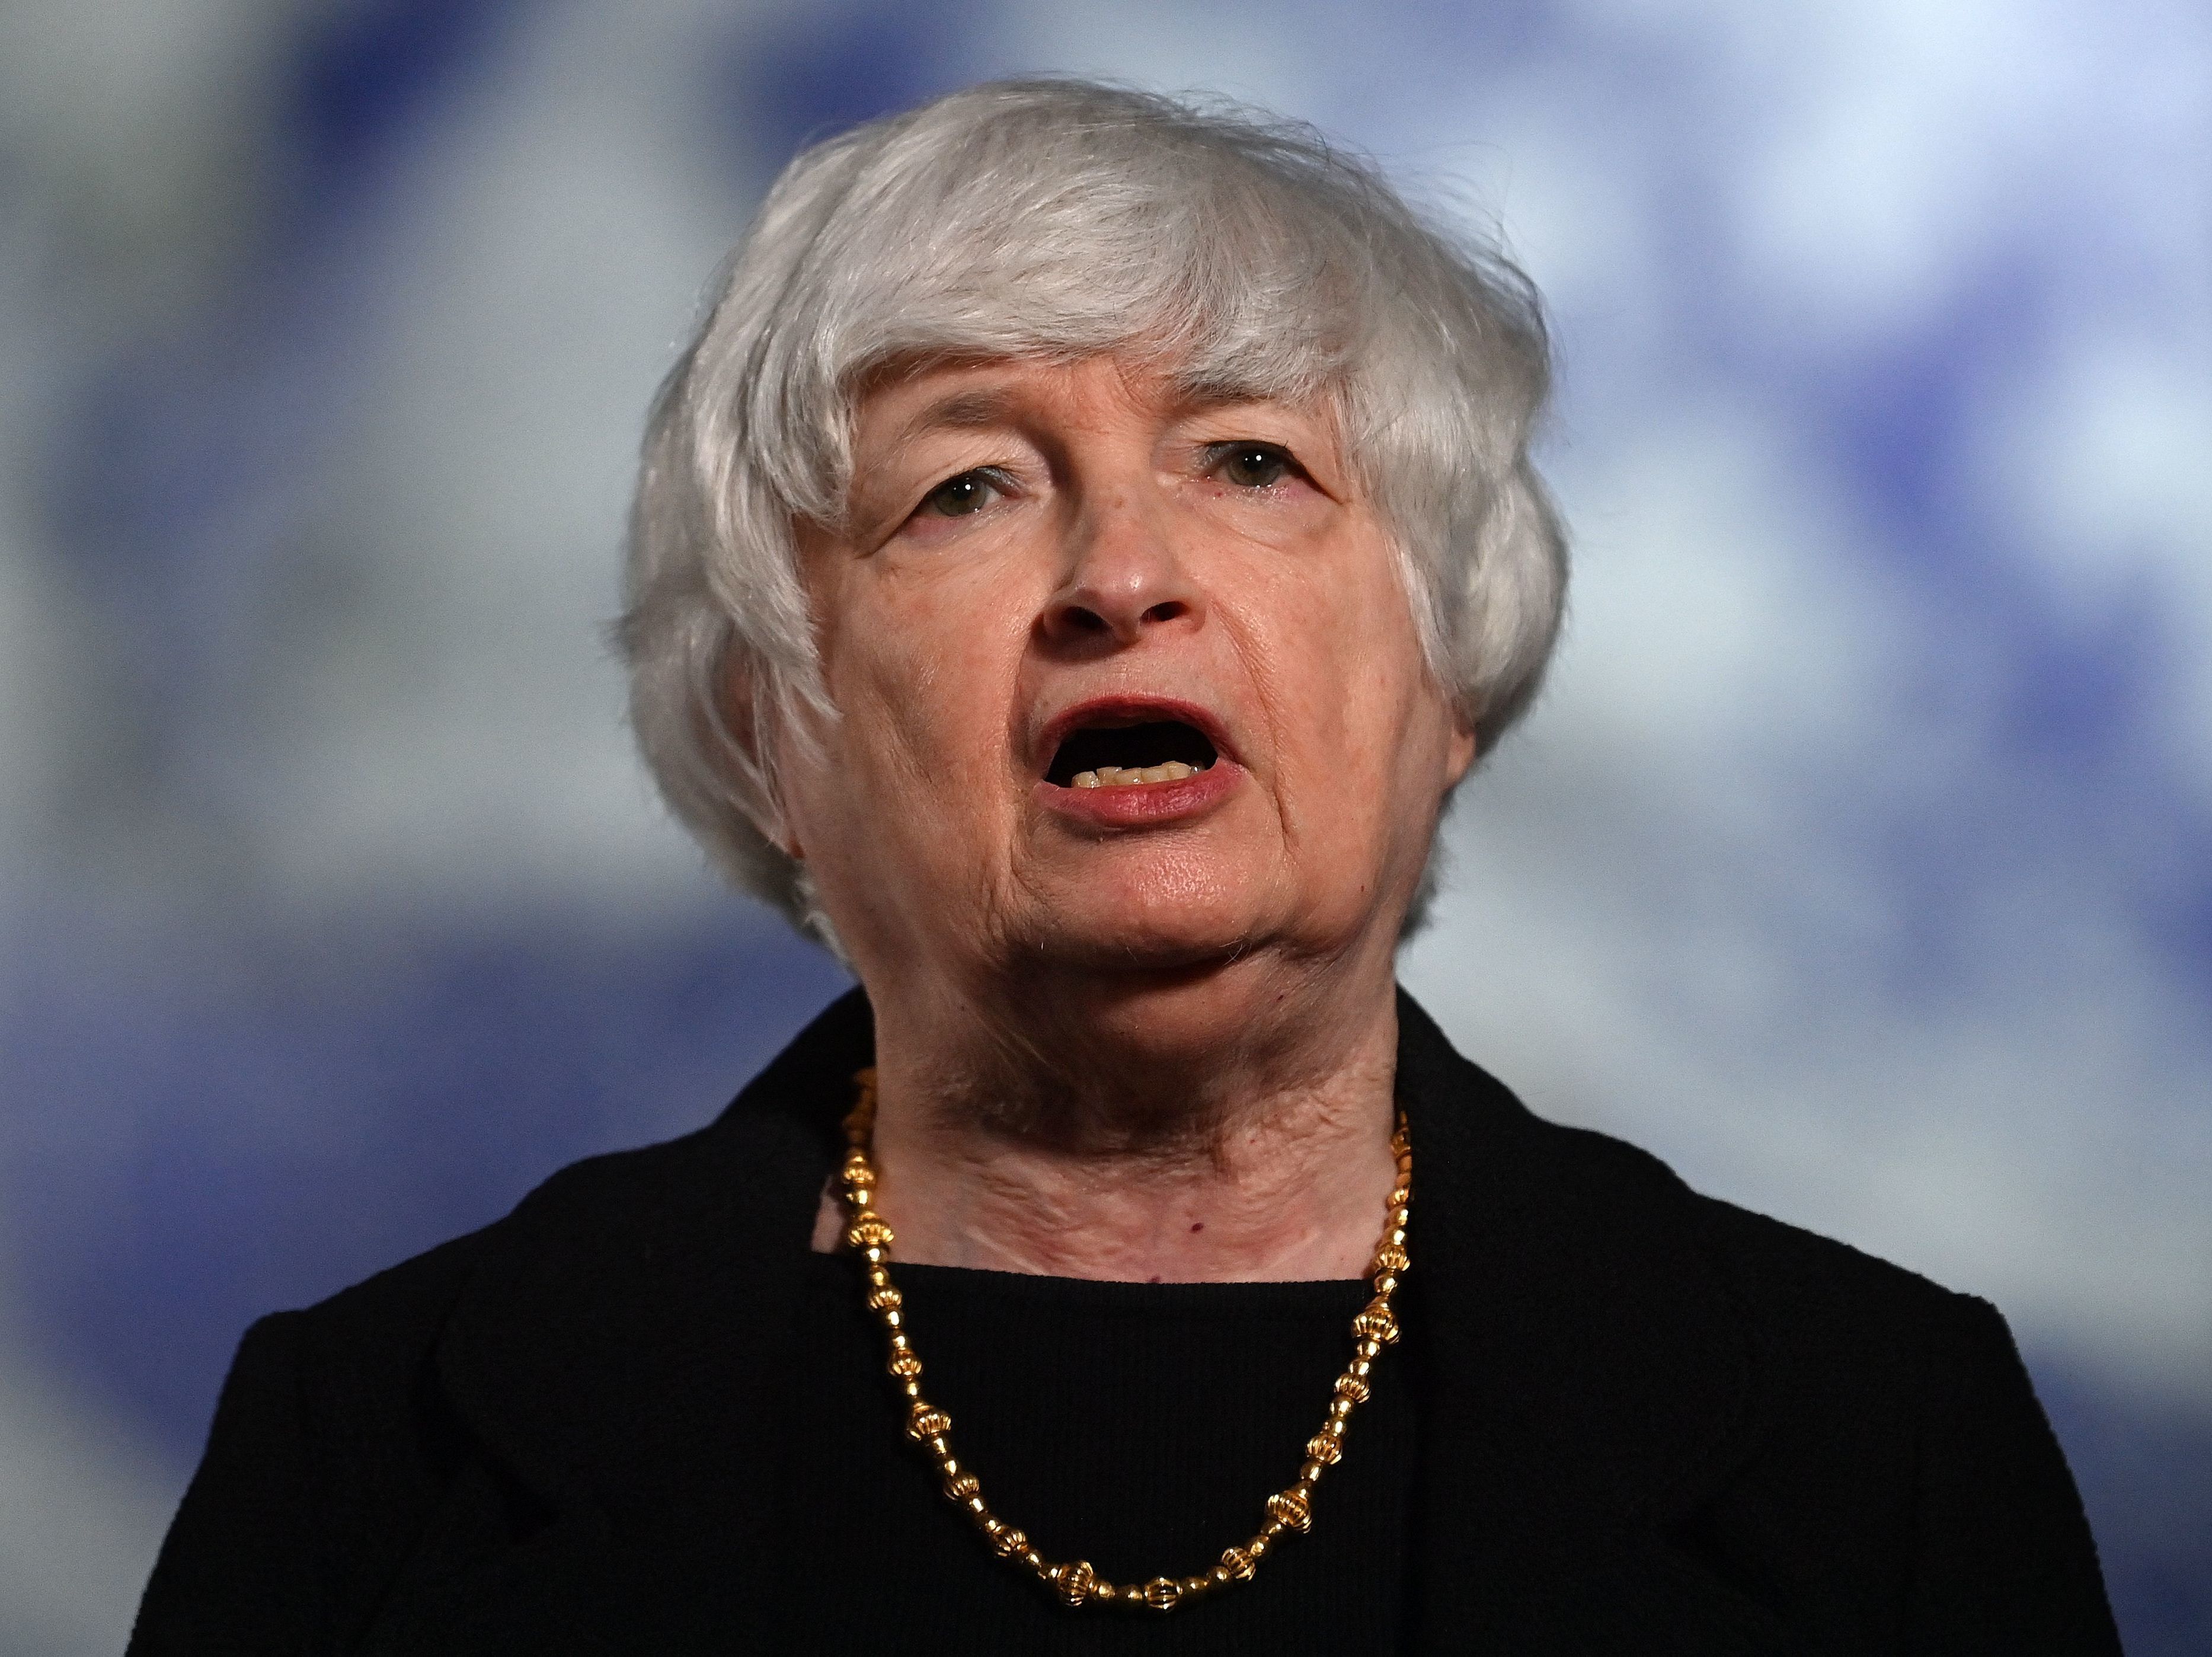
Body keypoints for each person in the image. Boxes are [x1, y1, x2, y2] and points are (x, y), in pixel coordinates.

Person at [130, 79, 2120, 1654]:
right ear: (769, 736)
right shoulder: (371, 1450)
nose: (1120, 575)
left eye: (1250, 461)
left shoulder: (1881, 1441)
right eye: (964, 484)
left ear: (1445, 682)